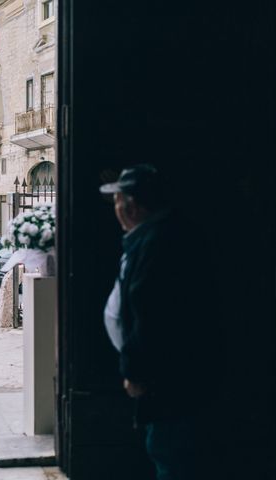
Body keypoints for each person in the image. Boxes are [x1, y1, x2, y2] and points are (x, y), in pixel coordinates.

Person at [100, 165, 221, 479]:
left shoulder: (158, 242)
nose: (114, 209)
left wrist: (134, 371)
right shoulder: (151, 236)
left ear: (132, 205)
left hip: (169, 381)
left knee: (170, 453)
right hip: (170, 380)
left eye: (117, 200)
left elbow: (151, 314)